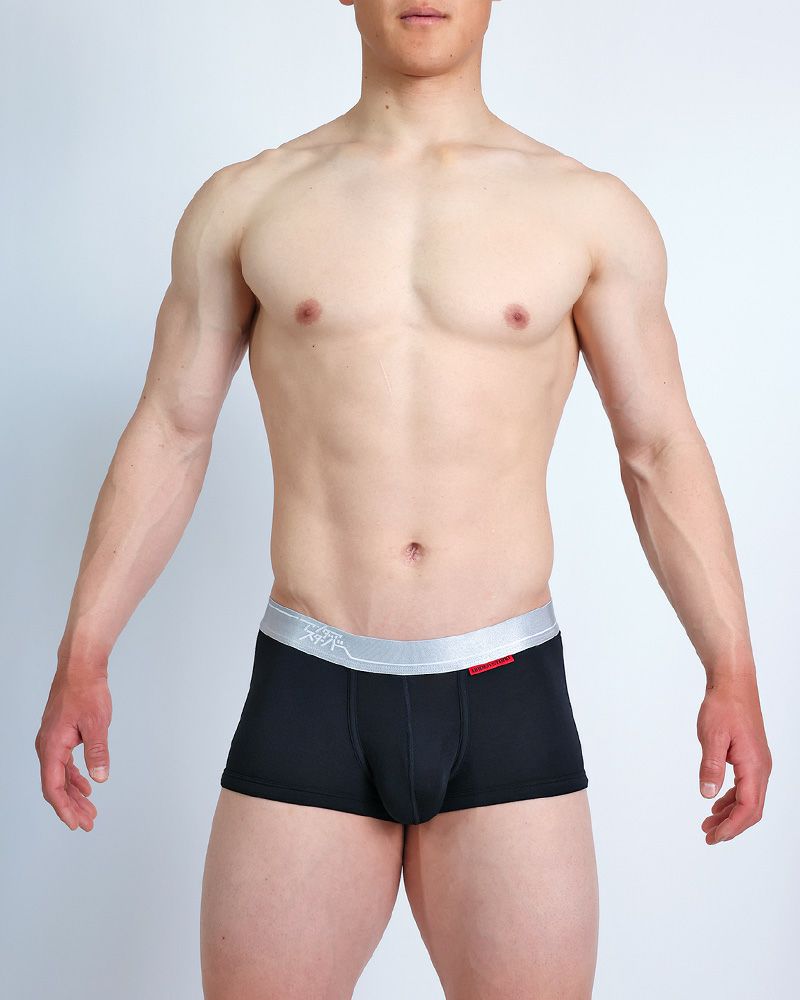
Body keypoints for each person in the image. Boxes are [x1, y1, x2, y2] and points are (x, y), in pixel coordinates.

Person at [35, 2, 772, 997]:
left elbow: (657, 448)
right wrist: (83, 653)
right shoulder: (252, 200)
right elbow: (172, 430)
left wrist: (730, 668)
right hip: (310, 685)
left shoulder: (584, 211)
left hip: (505, 690)